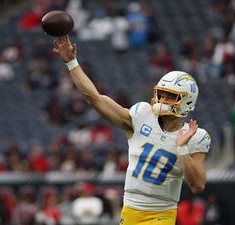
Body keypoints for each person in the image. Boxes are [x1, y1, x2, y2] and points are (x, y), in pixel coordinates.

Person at [53, 36, 210, 225]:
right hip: (129, 211)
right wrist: (71, 62)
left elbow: (198, 185)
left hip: (160, 215)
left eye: (170, 96)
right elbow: (95, 99)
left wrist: (182, 149)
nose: (162, 100)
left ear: (186, 101)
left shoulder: (195, 136)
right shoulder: (141, 115)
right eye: (161, 94)